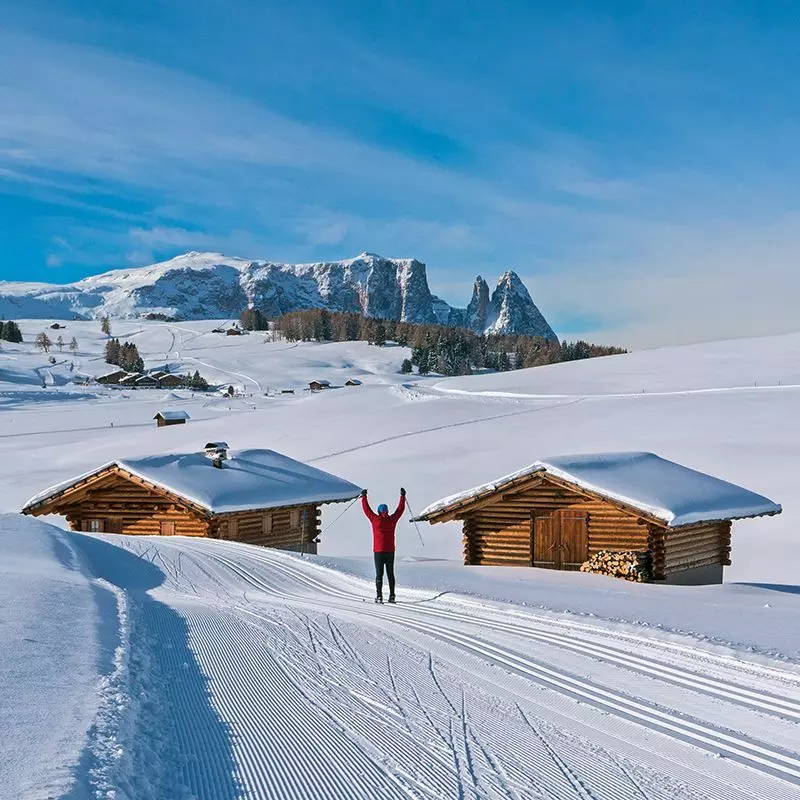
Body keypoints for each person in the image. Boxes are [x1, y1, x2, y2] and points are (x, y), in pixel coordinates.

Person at [361, 487, 406, 603]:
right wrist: (402, 496)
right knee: (390, 574)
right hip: (390, 551)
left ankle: (379, 596)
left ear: (379, 511)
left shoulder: (375, 519)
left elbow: (366, 510)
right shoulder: (392, 520)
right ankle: (392, 596)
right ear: (387, 511)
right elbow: (400, 510)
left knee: (379, 574)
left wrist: (364, 497)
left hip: (378, 551)